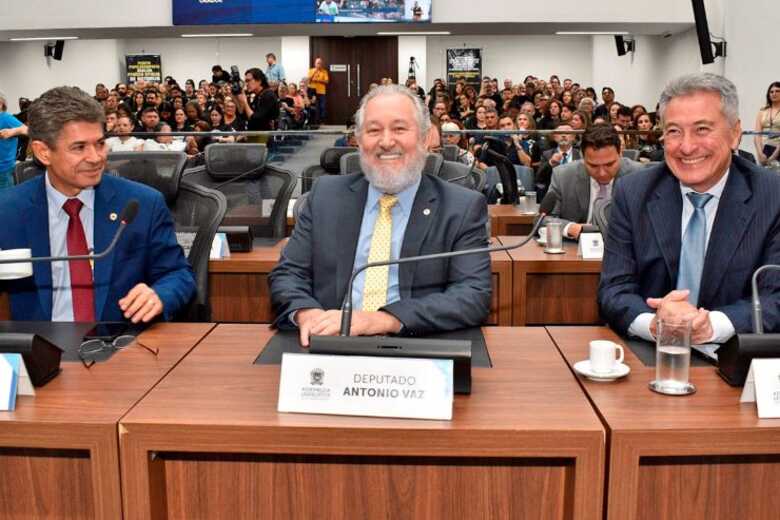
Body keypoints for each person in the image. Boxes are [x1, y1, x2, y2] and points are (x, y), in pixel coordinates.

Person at [269, 84, 492, 346]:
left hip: (416, 346)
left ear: (424, 138)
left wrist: (382, 321)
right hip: (328, 345)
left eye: (399, 129)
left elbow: (472, 295)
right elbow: (288, 274)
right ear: (359, 141)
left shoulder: (461, 207)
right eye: (374, 130)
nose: (386, 142)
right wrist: (307, 313)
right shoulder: (325, 196)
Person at [598, 73, 780, 345]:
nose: (686, 146)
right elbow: (614, 290)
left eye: (702, 129)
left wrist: (708, 325)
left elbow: (775, 297)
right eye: (673, 131)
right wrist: (656, 323)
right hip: (652, 356)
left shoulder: (772, 196)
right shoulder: (633, 192)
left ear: (735, 134)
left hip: (738, 356)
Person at [0, 86, 195, 322]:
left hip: (120, 346)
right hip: (40, 351)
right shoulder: (8, 211)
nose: (95, 158)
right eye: (79, 147)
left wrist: (160, 294)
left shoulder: (142, 204)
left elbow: (178, 274)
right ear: (43, 153)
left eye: (100, 144)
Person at [538, 124, 643, 240]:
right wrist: (571, 228)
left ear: (620, 153)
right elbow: (543, 219)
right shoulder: (563, 176)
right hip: (577, 251)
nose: (602, 173)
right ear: (582, 157)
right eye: (593, 166)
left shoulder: (639, 175)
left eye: (609, 164)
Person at [0, 91, 28, 189]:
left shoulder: (6, 118)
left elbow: (27, 130)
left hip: (4, 171)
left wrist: (13, 132)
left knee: (5, 202)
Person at [754, 81, 780, 167]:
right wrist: (760, 154)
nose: (774, 94)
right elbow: (757, 134)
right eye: (771, 92)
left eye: (777, 91)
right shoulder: (762, 111)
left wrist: (774, 156)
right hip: (765, 150)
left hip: (778, 149)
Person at [307, 57, 330, 122]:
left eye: (320, 63)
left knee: (322, 107)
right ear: (315, 64)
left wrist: (317, 80)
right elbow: (308, 81)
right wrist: (314, 72)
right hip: (312, 91)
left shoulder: (324, 71)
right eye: (317, 63)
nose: (319, 64)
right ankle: (315, 121)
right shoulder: (311, 70)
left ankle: (322, 120)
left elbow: (326, 81)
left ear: (322, 64)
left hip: (322, 92)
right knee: (314, 106)